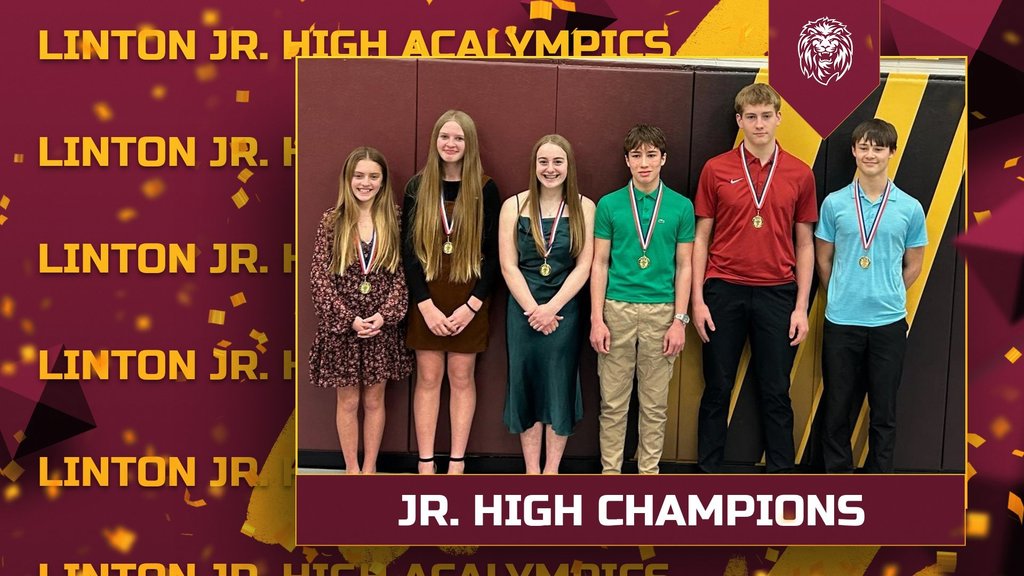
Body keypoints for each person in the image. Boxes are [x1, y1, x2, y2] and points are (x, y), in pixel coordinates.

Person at [692, 83, 817, 474]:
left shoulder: (800, 172)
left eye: (766, 115)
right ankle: (708, 471)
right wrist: (697, 300)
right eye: (751, 116)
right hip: (723, 289)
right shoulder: (716, 168)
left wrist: (801, 307)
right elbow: (701, 237)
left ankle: (781, 473)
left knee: (776, 390)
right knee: (717, 388)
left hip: (778, 294)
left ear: (779, 118)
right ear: (739, 120)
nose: (759, 124)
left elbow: (806, 244)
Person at [815, 118, 927, 473]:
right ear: (853, 151)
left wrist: (887, 293)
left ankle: (880, 483)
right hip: (841, 321)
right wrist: (843, 291)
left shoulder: (910, 207)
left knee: (884, 410)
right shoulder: (834, 204)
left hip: (888, 323)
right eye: (863, 146)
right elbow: (823, 258)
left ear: (892, 153)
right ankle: (838, 479)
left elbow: (914, 265)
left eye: (878, 147)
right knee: (836, 408)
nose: (870, 154)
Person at [589, 124, 695, 475]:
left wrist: (680, 320)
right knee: (613, 404)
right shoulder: (609, 204)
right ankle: (610, 474)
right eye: (637, 155)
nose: (644, 163)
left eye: (651, 155)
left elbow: (684, 266)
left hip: (661, 313)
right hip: (616, 309)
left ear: (663, 159)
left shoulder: (681, 206)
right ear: (627, 161)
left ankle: (648, 474)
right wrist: (596, 318)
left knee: (654, 405)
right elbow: (599, 263)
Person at [402, 110, 501, 475]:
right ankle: (426, 463)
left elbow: (494, 256)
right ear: (435, 141)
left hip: (467, 299)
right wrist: (424, 305)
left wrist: (472, 306)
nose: (451, 144)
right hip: (428, 297)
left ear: (469, 143)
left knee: (462, 378)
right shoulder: (418, 186)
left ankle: (456, 462)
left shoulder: (485, 188)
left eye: (458, 138)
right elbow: (408, 253)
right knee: (428, 379)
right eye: (445, 136)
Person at [309, 146, 413, 475]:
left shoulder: (396, 219)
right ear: (348, 179)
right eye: (358, 175)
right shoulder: (332, 221)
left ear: (382, 181)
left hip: (381, 328)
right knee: (349, 401)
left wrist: (385, 315)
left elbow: (403, 276)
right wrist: (349, 319)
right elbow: (318, 279)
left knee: (374, 400)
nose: (365, 183)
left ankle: (369, 469)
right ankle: (352, 469)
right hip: (344, 330)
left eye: (373, 176)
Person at [499, 134, 595, 474]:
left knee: (558, 384)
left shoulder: (585, 207)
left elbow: (585, 266)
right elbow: (508, 265)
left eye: (557, 162)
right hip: (523, 311)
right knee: (525, 382)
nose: (550, 169)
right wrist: (533, 309)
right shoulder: (514, 205)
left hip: (564, 311)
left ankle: (551, 470)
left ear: (568, 166)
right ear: (534, 165)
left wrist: (552, 308)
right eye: (543, 162)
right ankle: (531, 471)